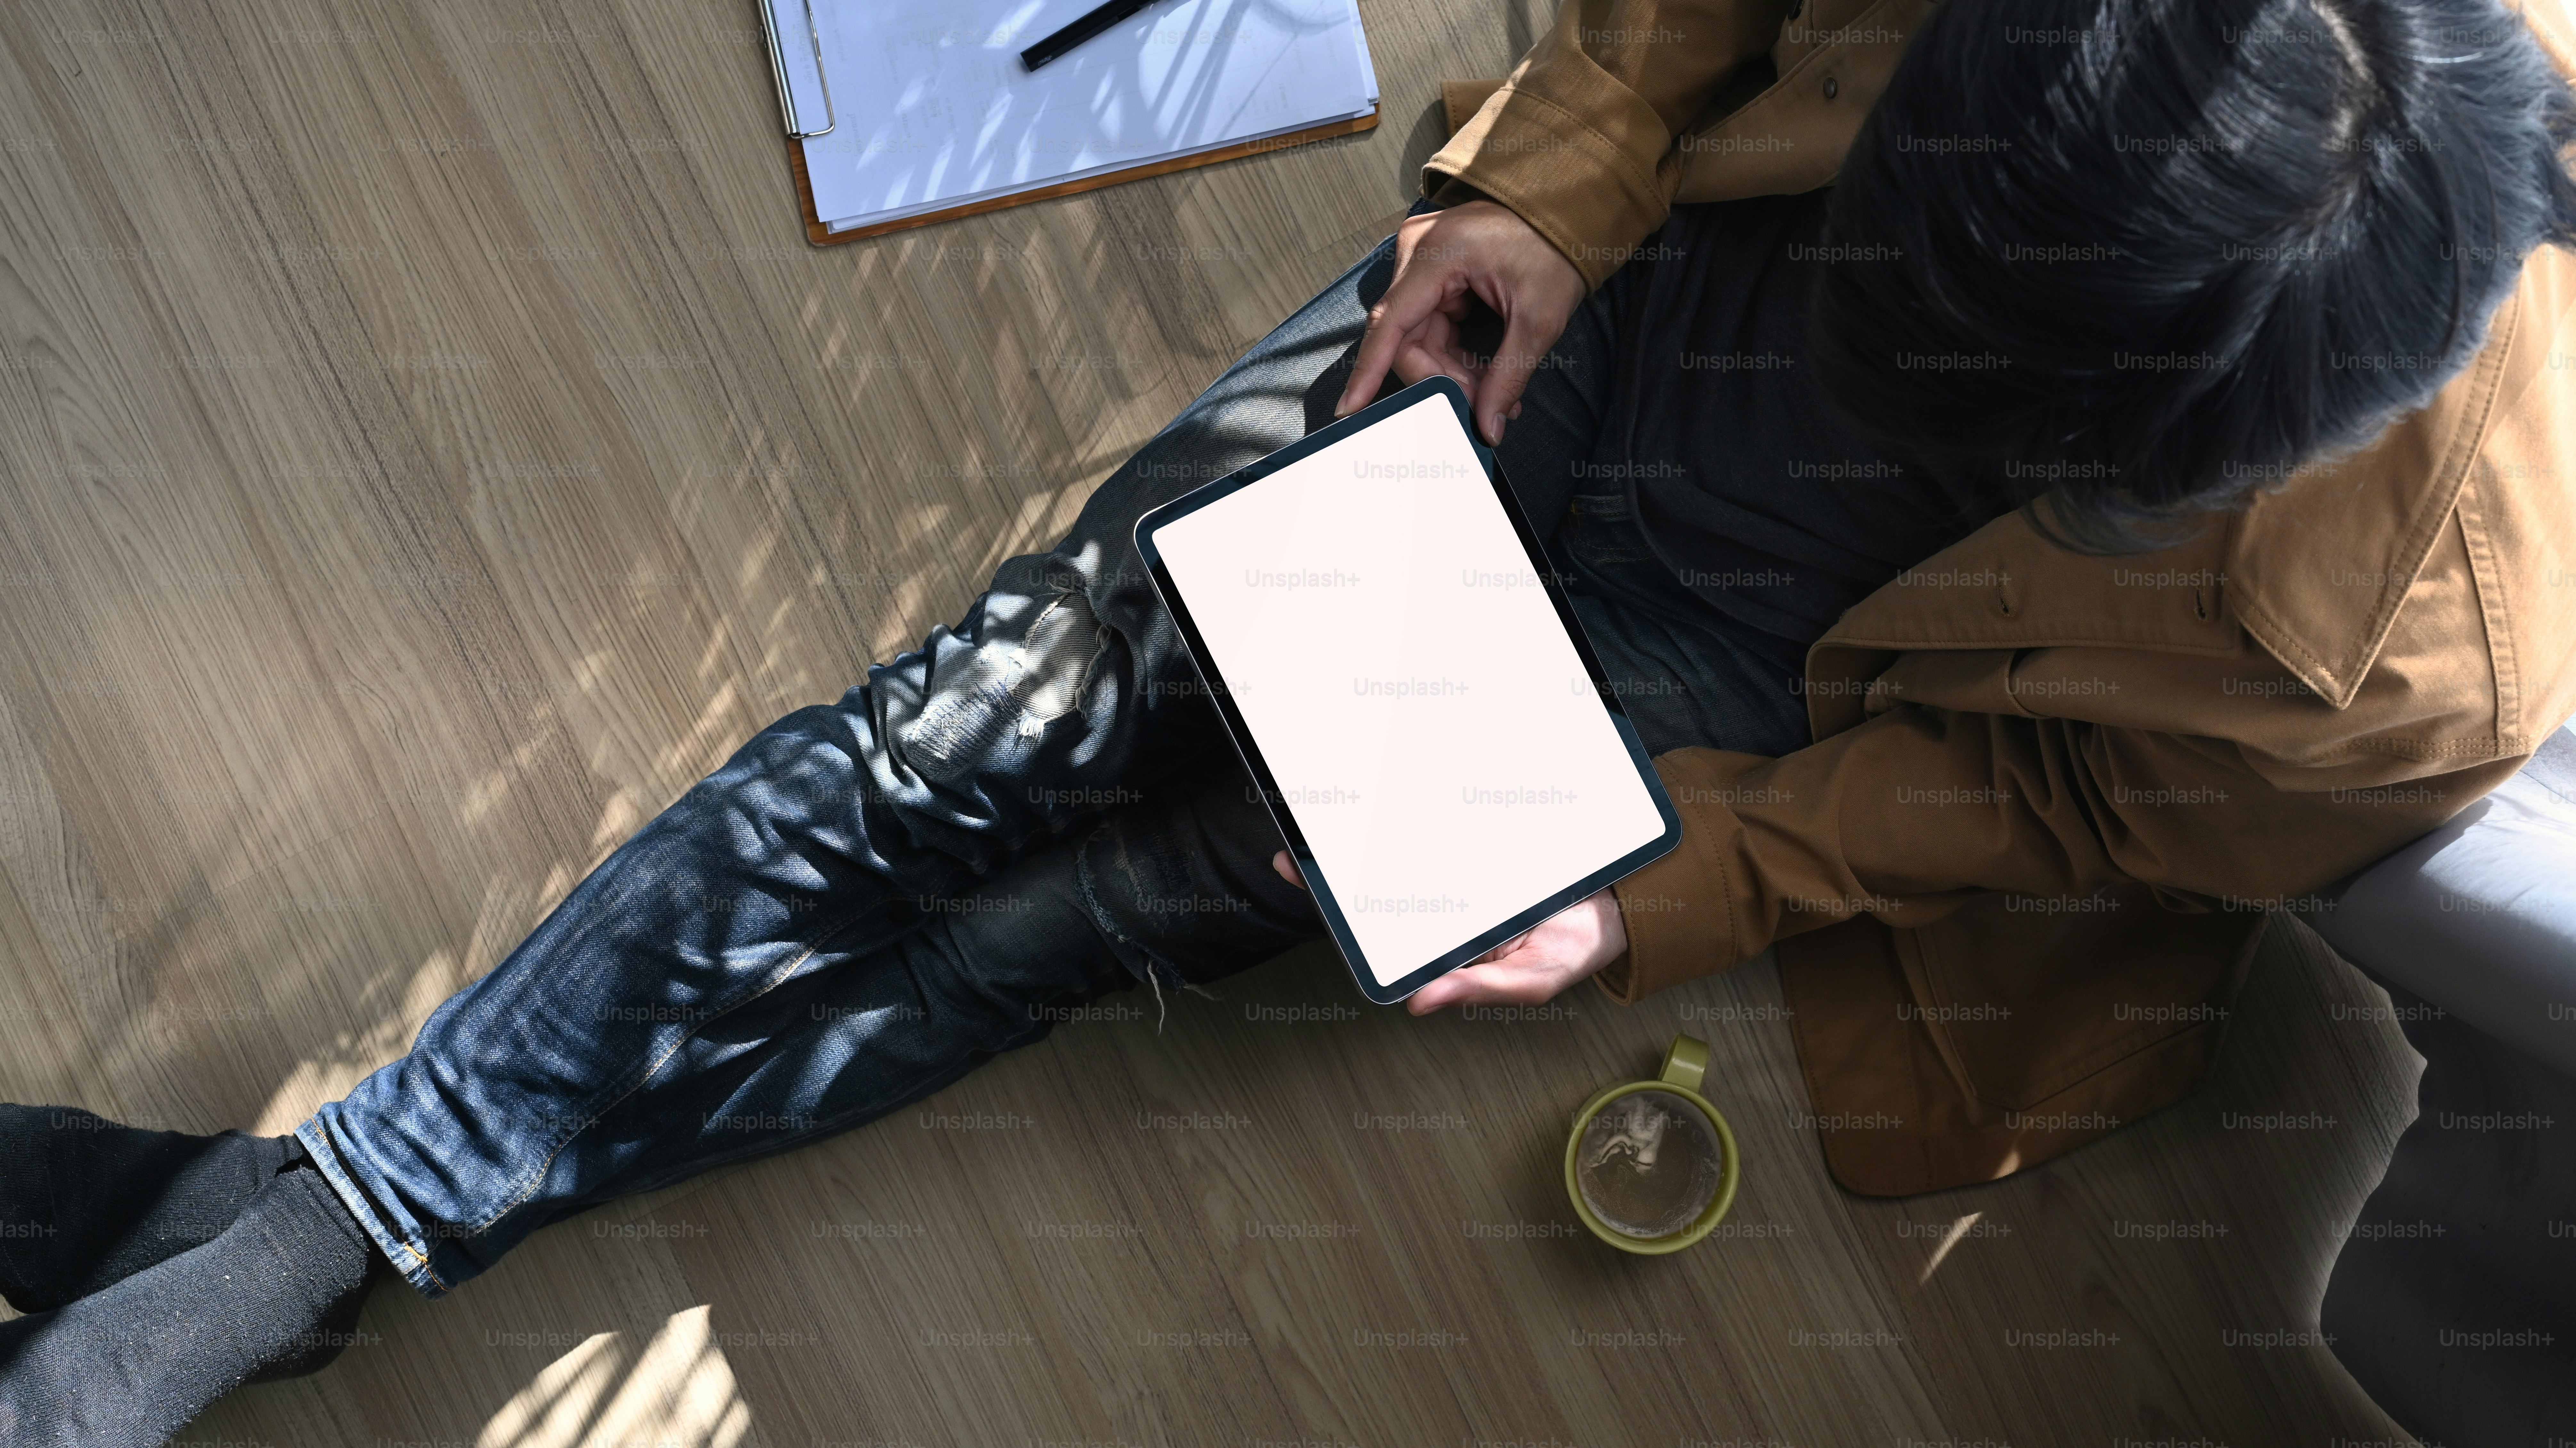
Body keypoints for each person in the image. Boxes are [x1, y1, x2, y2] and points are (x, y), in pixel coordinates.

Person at [7, 0, 2575, 1439]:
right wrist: (1550, 187)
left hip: (1727, 678)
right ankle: (311, 1237)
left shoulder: (2443, 653)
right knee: (962, 732)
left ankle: (276, 1228)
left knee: (1075, 918)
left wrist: (1651, 899)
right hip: (1573, 335)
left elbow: (2028, 795)